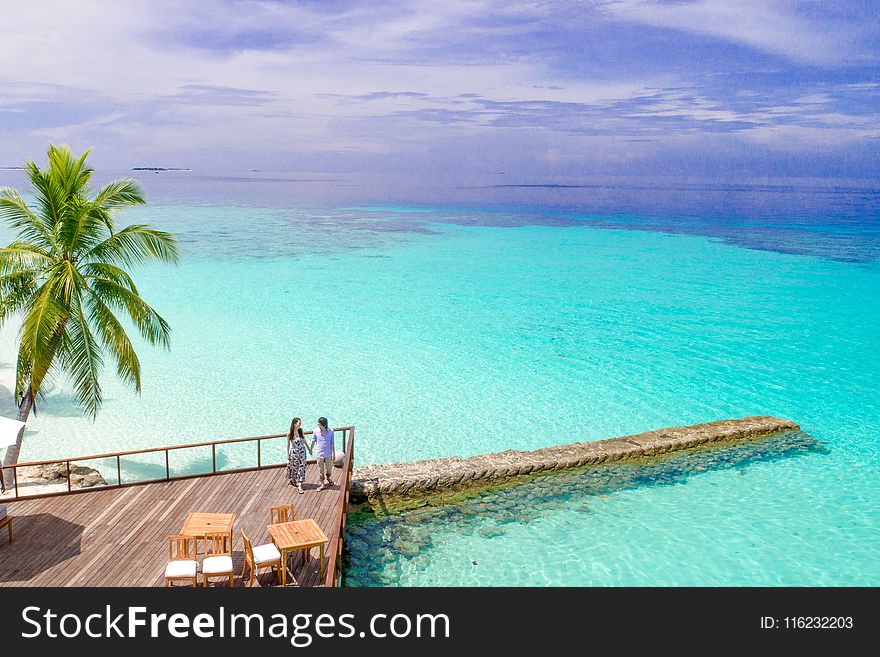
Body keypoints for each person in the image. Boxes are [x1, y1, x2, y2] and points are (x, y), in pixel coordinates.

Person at [286, 417, 309, 494]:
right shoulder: (289, 433)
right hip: (295, 452)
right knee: (295, 468)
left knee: (302, 467)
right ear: (294, 424)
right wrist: (288, 454)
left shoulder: (300, 431)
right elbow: (288, 445)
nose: (300, 425)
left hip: (302, 451)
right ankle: (293, 480)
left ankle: (299, 485)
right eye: (299, 423)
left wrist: (308, 448)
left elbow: (304, 440)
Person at [311, 417, 335, 491]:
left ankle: (328, 477)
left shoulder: (331, 431)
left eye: (320, 425)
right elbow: (313, 441)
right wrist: (310, 449)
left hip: (328, 453)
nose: (319, 426)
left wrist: (334, 453)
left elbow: (332, 443)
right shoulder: (315, 431)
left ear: (324, 425)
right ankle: (322, 484)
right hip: (319, 454)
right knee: (320, 470)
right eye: (318, 424)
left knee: (329, 469)